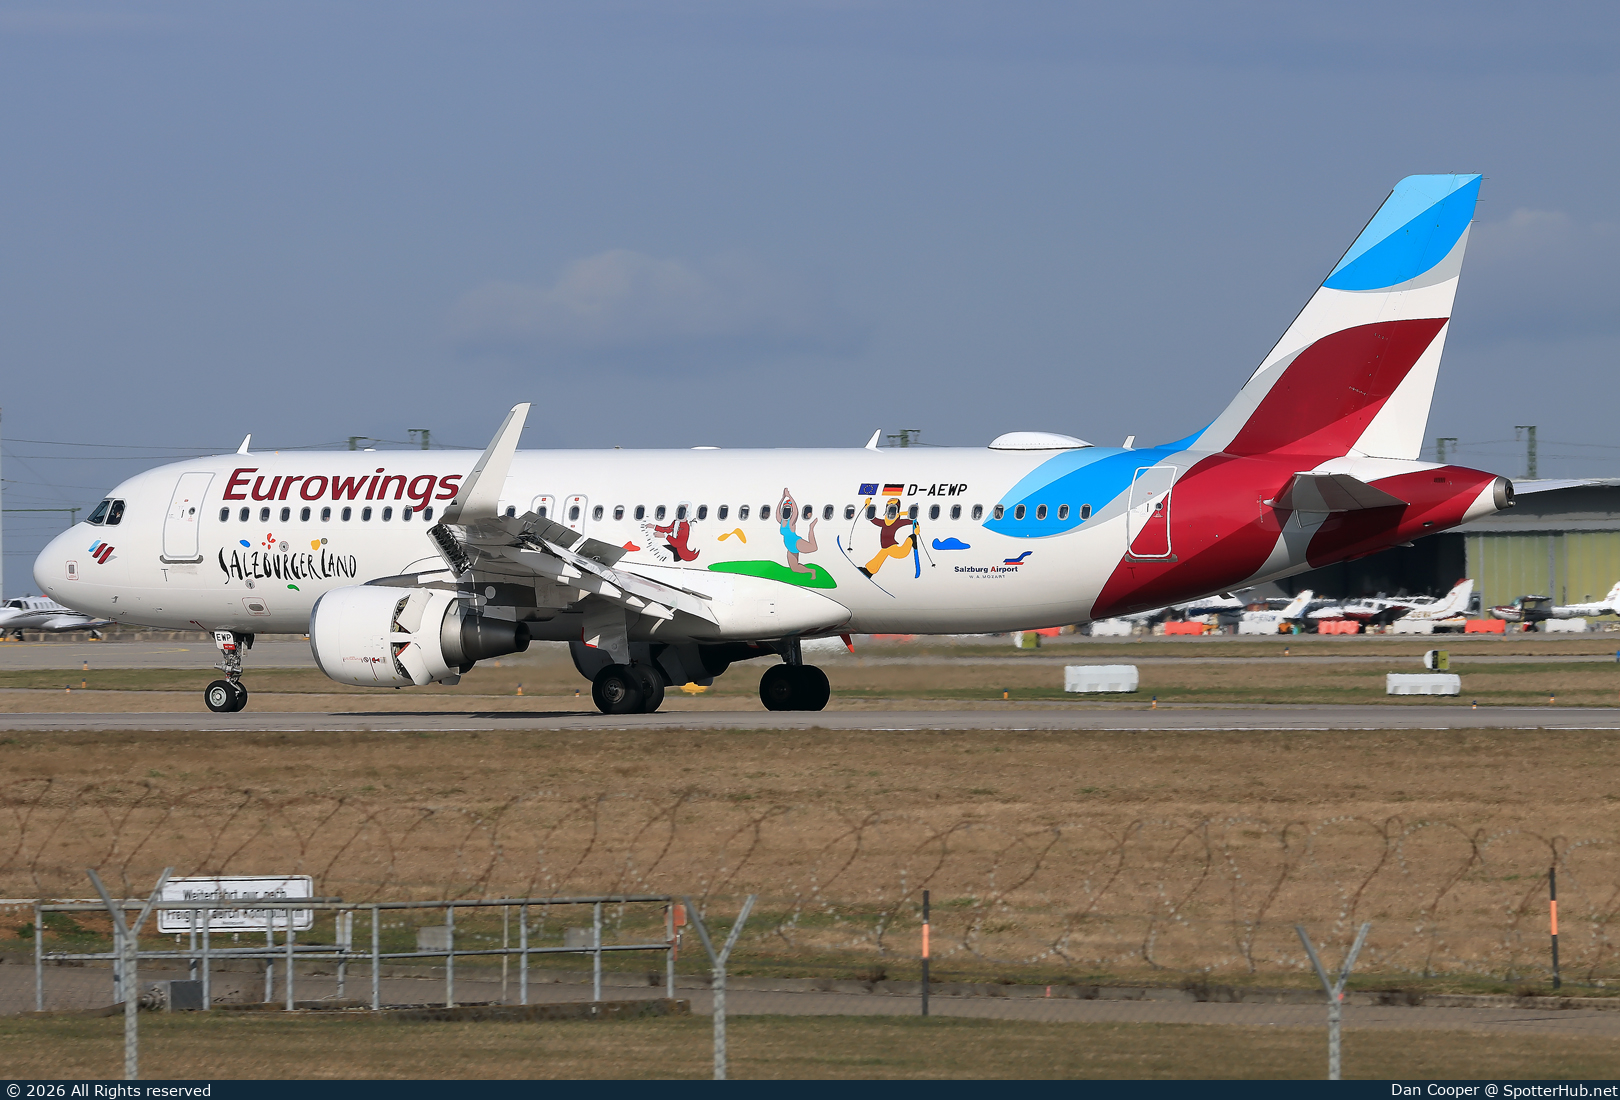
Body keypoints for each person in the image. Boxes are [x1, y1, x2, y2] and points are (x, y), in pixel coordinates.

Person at [861, 496, 913, 578]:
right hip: (887, 547)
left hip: (893, 548)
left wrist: (914, 522)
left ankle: (912, 541)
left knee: (911, 538)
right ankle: (869, 571)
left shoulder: (896, 522)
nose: (890, 513)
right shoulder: (886, 522)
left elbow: (908, 522)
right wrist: (867, 507)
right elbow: (874, 520)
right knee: (880, 557)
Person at [779, 488, 819, 572]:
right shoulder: (781, 520)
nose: (786, 512)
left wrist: (789, 496)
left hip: (796, 542)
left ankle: (811, 528)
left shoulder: (791, 522)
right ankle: (811, 571)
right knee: (794, 568)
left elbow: (796, 512)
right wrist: (783, 497)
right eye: (785, 509)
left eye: (789, 510)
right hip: (789, 547)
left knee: (814, 547)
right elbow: (777, 511)